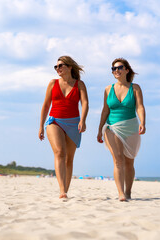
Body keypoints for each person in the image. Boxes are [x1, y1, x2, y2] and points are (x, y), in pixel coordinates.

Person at [39, 56, 89, 199]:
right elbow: (46, 105)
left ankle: (65, 189)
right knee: (60, 152)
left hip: (74, 123)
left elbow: (85, 103)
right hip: (54, 121)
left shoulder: (80, 85)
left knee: (69, 159)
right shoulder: (52, 83)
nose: (58, 69)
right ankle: (62, 191)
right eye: (56, 66)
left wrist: (83, 120)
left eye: (61, 65)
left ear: (70, 67)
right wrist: (41, 126)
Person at [97, 58, 146, 201]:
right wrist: (100, 129)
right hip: (111, 127)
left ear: (127, 70)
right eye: (113, 69)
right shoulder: (108, 89)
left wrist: (143, 122)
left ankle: (128, 192)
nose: (116, 71)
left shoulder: (135, 88)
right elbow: (105, 111)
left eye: (119, 68)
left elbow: (140, 107)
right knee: (118, 160)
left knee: (129, 162)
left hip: (131, 127)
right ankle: (121, 193)